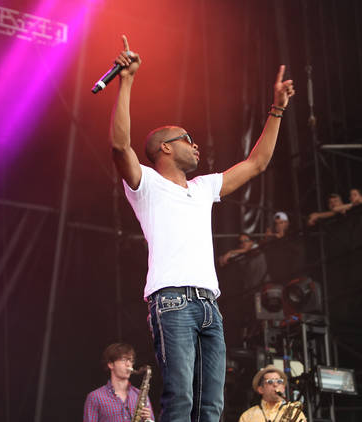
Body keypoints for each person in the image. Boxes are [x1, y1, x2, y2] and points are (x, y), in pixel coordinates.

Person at [108, 35, 295, 422]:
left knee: (212, 405)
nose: (196, 145)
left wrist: (276, 110)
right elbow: (119, 145)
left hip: (210, 304)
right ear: (164, 149)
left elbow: (257, 163)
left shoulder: (202, 187)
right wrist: (126, 81)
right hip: (171, 300)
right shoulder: (146, 185)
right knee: (179, 401)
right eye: (187, 139)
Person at [83, 343, 154, 422]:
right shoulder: (95, 397)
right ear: (111, 364)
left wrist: (147, 420)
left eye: (131, 360)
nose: (129, 364)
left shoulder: (141, 396)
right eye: (123, 360)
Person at [237, 365, 306, 422]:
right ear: (260, 389)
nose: (275, 384)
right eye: (270, 382)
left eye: (279, 381)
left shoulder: (294, 413)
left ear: (283, 388)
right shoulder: (247, 416)